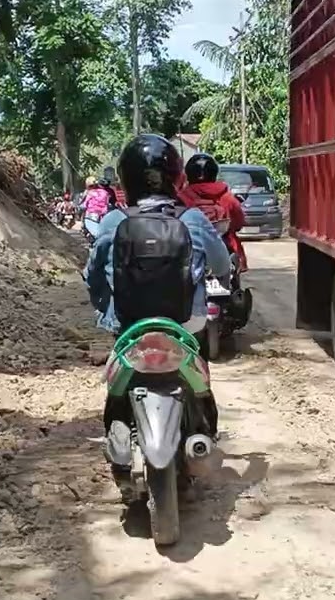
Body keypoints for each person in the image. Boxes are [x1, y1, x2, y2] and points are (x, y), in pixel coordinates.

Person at [85, 134, 229, 436]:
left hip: (127, 322)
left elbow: (95, 272)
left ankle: (118, 429)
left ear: (126, 178)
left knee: (117, 378)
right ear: (175, 176)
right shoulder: (192, 218)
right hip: (186, 320)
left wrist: (102, 307)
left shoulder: (113, 220)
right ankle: (206, 430)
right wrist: (223, 278)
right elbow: (221, 264)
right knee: (197, 365)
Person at [179, 153, 248, 272]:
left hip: (190, 250)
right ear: (214, 173)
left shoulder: (180, 197)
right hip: (226, 250)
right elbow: (239, 222)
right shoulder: (227, 197)